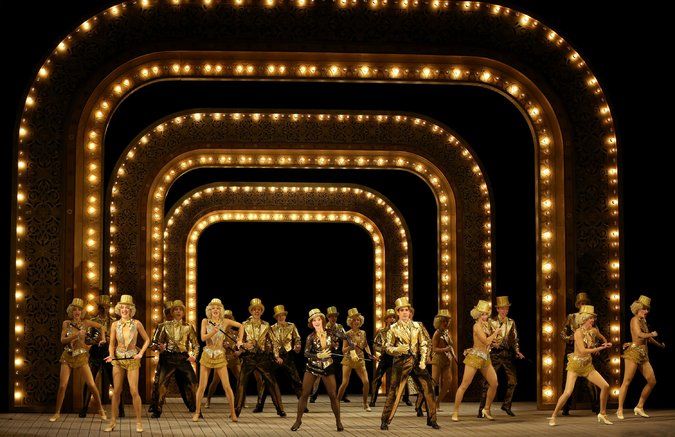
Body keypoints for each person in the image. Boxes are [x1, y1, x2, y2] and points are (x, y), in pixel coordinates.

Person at [548, 305, 613, 426]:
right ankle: (553, 416)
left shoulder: (593, 330)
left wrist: (605, 343)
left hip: (587, 366)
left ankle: (602, 414)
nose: (593, 320)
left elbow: (602, 337)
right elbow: (582, 351)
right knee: (567, 392)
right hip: (576, 365)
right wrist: (599, 348)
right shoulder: (578, 333)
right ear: (584, 319)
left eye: (593, 318)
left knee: (605, 386)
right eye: (590, 318)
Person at [380, 297, 439, 430]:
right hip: (401, 361)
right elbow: (387, 347)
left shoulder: (418, 326)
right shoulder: (393, 328)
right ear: (398, 313)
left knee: (428, 389)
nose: (405, 312)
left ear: (410, 312)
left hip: (417, 361)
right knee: (394, 391)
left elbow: (424, 343)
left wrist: (423, 360)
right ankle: (385, 420)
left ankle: (432, 419)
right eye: (402, 310)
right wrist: (397, 349)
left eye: (407, 310)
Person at [51, 297, 107, 422]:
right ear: (71, 311)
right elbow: (62, 340)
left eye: (79, 310)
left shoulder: (86, 323)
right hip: (68, 355)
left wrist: (102, 339)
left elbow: (102, 326)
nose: (77, 312)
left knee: (92, 385)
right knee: (62, 386)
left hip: (81, 356)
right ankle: (57, 413)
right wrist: (75, 335)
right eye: (75, 309)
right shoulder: (66, 323)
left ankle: (101, 410)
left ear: (82, 312)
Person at [291, 308, 344, 432]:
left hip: (327, 366)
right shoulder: (310, 337)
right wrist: (317, 356)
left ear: (322, 320)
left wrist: (339, 346)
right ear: (311, 323)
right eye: (314, 320)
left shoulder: (331, 333)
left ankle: (338, 421)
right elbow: (306, 353)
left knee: (333, 395)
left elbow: (340, 343)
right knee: (304, 394)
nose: (316, 322)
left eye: (318, 319)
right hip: (313, 367)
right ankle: (298, 420)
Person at [104, 295, 151, 433]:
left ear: (131, 310)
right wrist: (111, 356)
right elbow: (111, 344)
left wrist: (140, 353)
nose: (124, 310)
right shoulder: (114, 325)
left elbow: (147, 340)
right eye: (122, 307)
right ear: (119, 309)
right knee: (116, 391)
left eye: (127, 307)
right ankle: (112, 421)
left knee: (134, 391)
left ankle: (139, 422)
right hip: (118, 359)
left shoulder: (136, 323)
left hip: (132, 359)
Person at [193, 298, 243, 422]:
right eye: (213, 308)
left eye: (218, 308)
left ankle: (233, 413)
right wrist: (213, 332)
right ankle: (197, 412)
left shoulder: (225, 321)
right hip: (207, 354)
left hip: (220, 354)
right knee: (202, 386)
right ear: (209, 310)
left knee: (227, 386)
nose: (215, 310)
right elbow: (203, 338)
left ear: (221, 310)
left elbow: (241, 326)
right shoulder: (205, 321)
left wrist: (240, 340)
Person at [234, 298, 286, 417]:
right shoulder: (244, 324)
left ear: (261, 311)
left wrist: (276, 356)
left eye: (259, 310)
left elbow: (274, 342)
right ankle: (236, 410)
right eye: (254, 309)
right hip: (249, 357)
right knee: (241, 383)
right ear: (251, 311)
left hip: (262, 357)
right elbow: (238, 342)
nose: (257, 311)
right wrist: (243, 345)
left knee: (272, 382)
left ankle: (280, 409)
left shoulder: (266, 325)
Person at [148, 300, 199, 418]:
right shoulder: (163, 326)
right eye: (176, 309)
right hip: (168, 357)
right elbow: (153, 344)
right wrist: (159, 347)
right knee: (161, 384)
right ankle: (157, 410)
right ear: (172, 312)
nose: (178, 311)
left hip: (183, 358)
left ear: (183, 312)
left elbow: (196, 345)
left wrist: (194, 356)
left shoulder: (188, 327)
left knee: (193, 383)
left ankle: (196, 409)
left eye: (180, 309)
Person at [616, 295, 664, 419]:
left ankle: (639, 406)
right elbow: (639, 334)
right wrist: (651, 333)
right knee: (627, 381)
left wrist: (659, 344)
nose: (647, 311)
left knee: (652, 381)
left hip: (643, 354)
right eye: (644, 309)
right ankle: (619, 409)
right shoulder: (634, 320)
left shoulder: (643, 321)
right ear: (638, 309)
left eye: (647, 309)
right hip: (633, 353)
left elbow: (649, 338)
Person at [452, 299, 499, 422]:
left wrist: (495, 343)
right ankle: (455, 412)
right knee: (464, 385)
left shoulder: (486, 325)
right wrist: (496, 333)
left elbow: (489, 343)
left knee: (494, 383)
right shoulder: (476, 326)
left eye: (486, 314)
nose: (485, 316)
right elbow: (485, 341)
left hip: (485, 358)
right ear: (478, 314)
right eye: (483, 314)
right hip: (475, 357)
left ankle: (486, 409)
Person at [80, 293, 124, 418]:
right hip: (96, 352)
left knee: (115, 381)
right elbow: (87, 340)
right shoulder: (92, 321)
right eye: (102, 307)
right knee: (89, 381)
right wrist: (95, 340)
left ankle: (120, 410)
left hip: (109, 353)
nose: (104, 309)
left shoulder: (115, 322)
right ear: (98, 308)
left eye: (106, 307)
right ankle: (84, 408)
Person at [478, 296, 524, 417]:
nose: (504, 311)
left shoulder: (511, 322)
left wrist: (517, 351)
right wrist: (493, 344)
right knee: (487, 382)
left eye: (506, 308)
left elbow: (515, 339)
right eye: (502, 308)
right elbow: (485, 336)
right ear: (498, 309)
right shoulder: (490, 321)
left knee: (513, 381)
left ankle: (506, 405)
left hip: (507, 354)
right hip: (494, 354)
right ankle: (482, 409)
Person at [255, 305, 305, 412]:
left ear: (285, 316)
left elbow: (297, 338)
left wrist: (297, 345)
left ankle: (303, 404)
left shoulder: (291, 326)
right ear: (276, 317)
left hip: (287, 356)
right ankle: (259, 405)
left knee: (296, 380)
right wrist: (275, 356)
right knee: (267, 380)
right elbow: (270, 343)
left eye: (282, 315)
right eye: (279, 316)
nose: (281, 317)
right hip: (275, 357)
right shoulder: (272, 328)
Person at [561, 292, 599, 415]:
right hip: (572, 351)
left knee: (591, 380)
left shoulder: (590, 319)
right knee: (568, 381)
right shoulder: (571, 317)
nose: (582, 305)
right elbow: (563, 334)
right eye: (581, 303)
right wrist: (571, 338)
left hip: (585, 351)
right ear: (577, 305)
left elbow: (595, 334)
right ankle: (566, 407)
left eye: (585, 303)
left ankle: (596, 407)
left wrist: (595, 346)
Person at [205, 309, 252, 408]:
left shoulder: (236, 333)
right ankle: (208, 399)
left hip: (234, 360)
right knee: (215, 381)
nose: (228, 320)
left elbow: (242, 346)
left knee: (241, 379)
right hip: (222, 360)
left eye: (230, 318)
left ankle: (242, 401)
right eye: (226, 318)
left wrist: (239, 352)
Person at [337, 308, 376, 411]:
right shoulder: (347, 334)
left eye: (358, 319)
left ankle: (365, 403)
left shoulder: (363, 333)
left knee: (366, 382)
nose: (356, 321)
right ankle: (336, 402)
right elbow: (343, 350)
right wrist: (350, 346)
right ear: (350, 322)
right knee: (345, 382)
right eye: (354, 320)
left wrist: (370, 354)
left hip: (360, 359)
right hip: (349, 359)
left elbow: (366, 345)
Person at [309, 306, 350, 403]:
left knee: (340, 375)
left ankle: (343, 395)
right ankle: (313, 395)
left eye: (335, 316)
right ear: (328, 317)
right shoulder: (324, 327)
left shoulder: (339, 327)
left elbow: (345, 337)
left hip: (337, 353)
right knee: (320, 374)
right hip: (326, 352)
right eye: (331, 316)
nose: (333, 318)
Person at [369, 309, 396, 407]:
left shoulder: (398, 331)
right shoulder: (381, 331)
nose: (392, 319)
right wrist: (382, 349)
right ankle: (373, 400)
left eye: (393, 317)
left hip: (395, 357)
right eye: (390, 317)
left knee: (398, 378)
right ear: (386, 320)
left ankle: (402, 398)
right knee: (377, 378)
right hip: (385, 357)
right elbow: (375, 345)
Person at [431, 309, 455, 413]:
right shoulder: (436, 334)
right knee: (433, 382)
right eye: (444, 321)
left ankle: (437, 402)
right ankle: (425, 403)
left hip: (446, 360)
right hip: (438, 360)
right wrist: (445, 349)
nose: (446, 323)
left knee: (448, 381)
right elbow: (434, 349)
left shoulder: (447, 332)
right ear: (439, 322)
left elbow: (450, 345)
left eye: (447, 321)